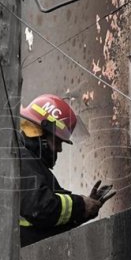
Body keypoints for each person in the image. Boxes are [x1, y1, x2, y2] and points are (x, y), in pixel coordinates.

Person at [19, 94, 115, 247]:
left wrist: (85, 211)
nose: (59, 149)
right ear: (41, 135)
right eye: (57, 142)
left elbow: (52, 221)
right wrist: (81, 206)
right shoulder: (20, 159)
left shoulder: (32, 164)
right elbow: (41, 208)